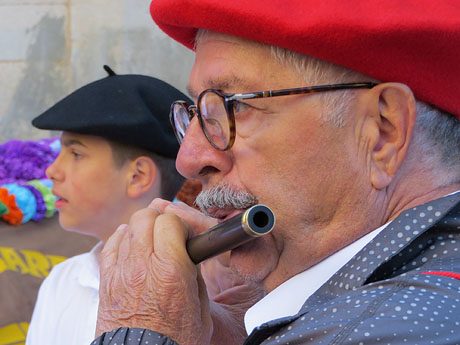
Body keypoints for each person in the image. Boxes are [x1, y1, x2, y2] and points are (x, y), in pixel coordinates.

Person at [91, 1, 460, 345]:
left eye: (232, 109)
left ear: (382, 132)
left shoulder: (385, 331)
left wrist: (140, 328)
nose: (188, 159)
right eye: (197, 115)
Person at [25, 67, 191, 345]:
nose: (52, 171)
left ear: (138, 176)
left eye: (76, 153)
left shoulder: (205, 283)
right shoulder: (64, 280)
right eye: (60, 152)